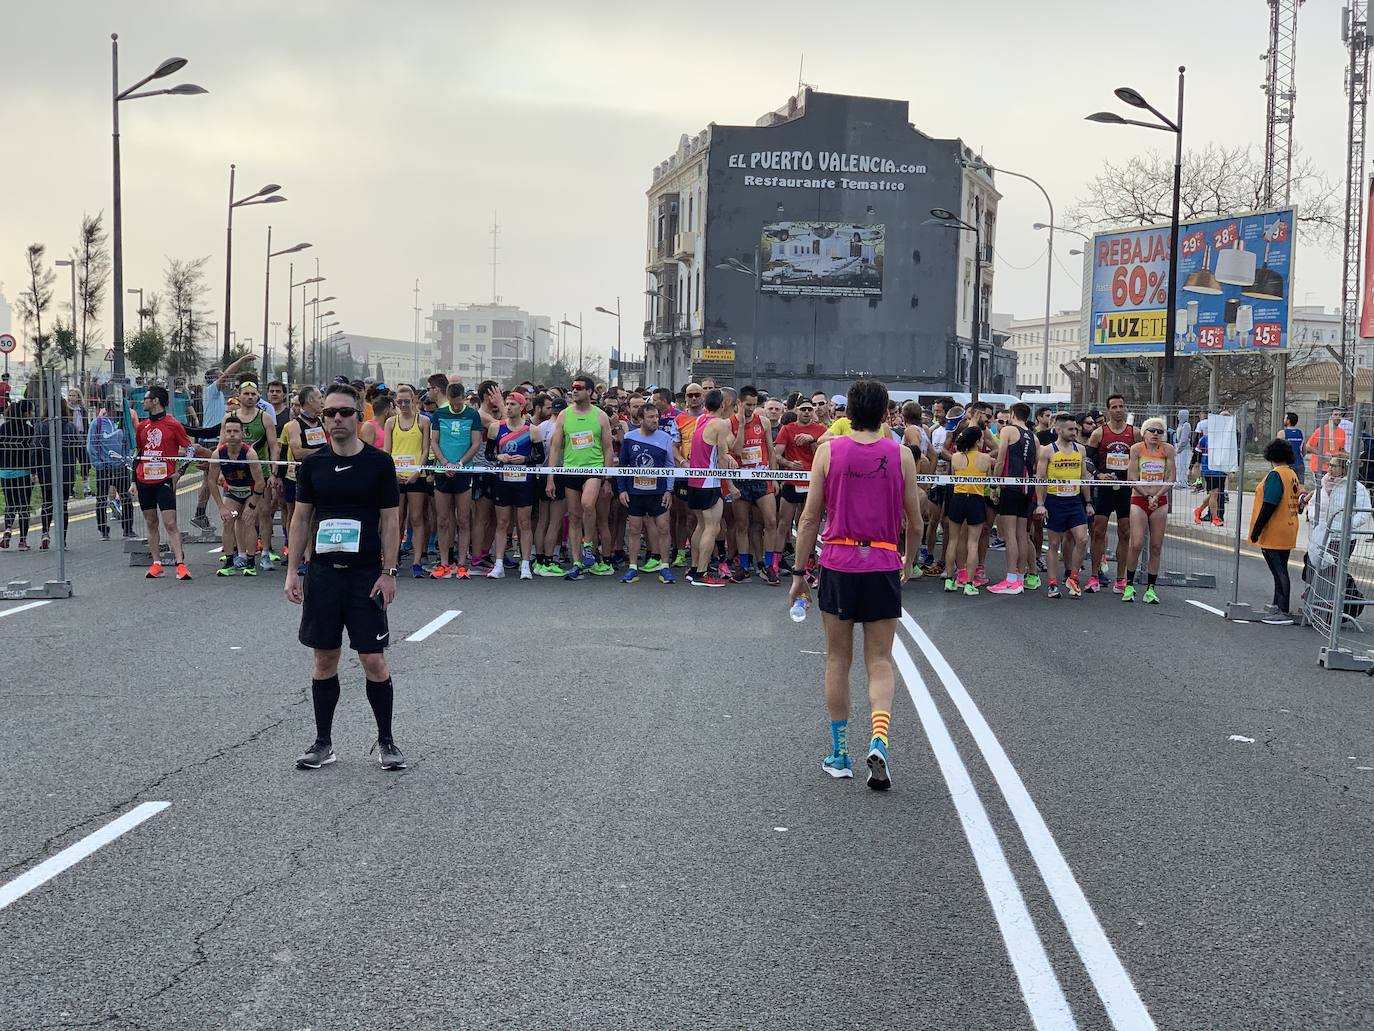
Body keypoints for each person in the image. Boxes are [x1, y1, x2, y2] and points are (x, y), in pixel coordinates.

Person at [789, 379, 922, 790]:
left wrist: (798, 574)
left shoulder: (828, 451)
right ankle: (879, 738)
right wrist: (910, 562)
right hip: (882, 559)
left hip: (839, 561)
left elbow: (810, 519)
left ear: (848, 415)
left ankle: (840, 752)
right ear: (886, 415)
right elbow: (915, 522)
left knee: (836, 661)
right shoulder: (900, 454)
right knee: (880, 661)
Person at [284, 383, 406, 772]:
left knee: (373, 660)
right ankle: (323, 743)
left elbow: (391, 520)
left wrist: (389, 572)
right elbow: (301, 518)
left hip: (365, 575)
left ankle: (386, 741)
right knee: (324, 659)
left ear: (359, 417)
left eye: (346, 413)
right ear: (323, 418)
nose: (338, 419)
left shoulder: (378, 463)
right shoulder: (314, 464)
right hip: (323, 574)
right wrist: (293, 571)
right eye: (331, 413)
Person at [544, 374, 616, 580]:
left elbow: (608, 448)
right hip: (570, 470)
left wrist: (607, 478)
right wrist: (550, 478)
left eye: (579, 388)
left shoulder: (600, 416)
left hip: (593, 469)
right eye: (573, 388)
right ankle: (576, 562)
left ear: (590, 392)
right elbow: (555, 448)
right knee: (574, 517)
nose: (574, 390)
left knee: (587, 504)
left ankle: (587, 545)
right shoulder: (564, 416)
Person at [133, 385, 198, 580]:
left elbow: (190, 450)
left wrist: (180, 472)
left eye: (146, 398)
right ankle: (156, 563)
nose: (143, 402)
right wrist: (133, 480)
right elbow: (139, 454)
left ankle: (180, 564)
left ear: (155, 401)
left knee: (170, 523)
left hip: (164, 480)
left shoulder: (173, 424)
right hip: (144, 480)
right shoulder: (142, 426)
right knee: (151, 522)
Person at [1035, 413, 1094, 599]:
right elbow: (1041, 478)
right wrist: (1040, 504)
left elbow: (1084, 477)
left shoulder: (1080, 450)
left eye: (1076, 429)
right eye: (1070, 429)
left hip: (1075, 500)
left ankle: (1073, 577)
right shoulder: (1047, 450)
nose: (1074, 432)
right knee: (1054, 543)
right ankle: (1052, 583)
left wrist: (1089, 502)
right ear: (1059, 430)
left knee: (1082, 539)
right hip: (1054, 500)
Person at [616, 400, 676, 584]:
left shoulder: (665, 438)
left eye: (657, 417)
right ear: (640, 419)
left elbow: (670, 465)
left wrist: (669, 490)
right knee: (634, 530)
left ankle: (664, 567)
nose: (655, 420)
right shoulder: (629, 438)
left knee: (664, 528)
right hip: (635, 492)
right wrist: (622, 490)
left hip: (658, 492)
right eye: (650, 417)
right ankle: (633, 568)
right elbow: (622, 465)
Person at [429, 381, 484, 579]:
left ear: (464, 398)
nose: (456, 406)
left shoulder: (472, 414)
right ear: (449, 399)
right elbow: (434, 441)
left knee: (463, 520)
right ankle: (444, 563)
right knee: (443, 520)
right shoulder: (439, 414)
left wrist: (459, 464)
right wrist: (444, 463)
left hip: (463, 471)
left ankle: (461, 564)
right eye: (453, 403)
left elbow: (476, 443)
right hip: (443, 471)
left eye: (459, 403)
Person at [1085, 394, 1139, 594]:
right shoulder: (1099, 433)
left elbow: (1142, 457)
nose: (1118, 410)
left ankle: (1121, 578)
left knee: (1125, 532)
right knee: (1098, 531)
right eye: (1114, 407)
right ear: (1108, 410)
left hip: (1126, 489)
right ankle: (1094, 575)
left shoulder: (1135, 433)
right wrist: (1098, 474)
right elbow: (1087, 461)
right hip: (1105, 488)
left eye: (1121, 406)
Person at [729, 384, 781, 584]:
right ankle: (743, 566)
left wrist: (774, 477)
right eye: (747, 405)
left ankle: (769, 565)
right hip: (741, 479)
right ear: (739, 403)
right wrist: (741, 424)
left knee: (771, 522)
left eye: (753, 405)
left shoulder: (764, 422)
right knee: (742, 524)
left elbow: (770, 450)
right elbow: (738, 450)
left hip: (761, 478)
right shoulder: (729, 423)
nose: (750, 409)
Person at [487, 390, 541, 580]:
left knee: (524, 523)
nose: (508, 408)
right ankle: (499, 563)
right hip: (502, 480)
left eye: (513, 405)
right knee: (502, 522)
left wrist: (525, 458)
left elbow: (539, 456)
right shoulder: (496, 427)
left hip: (524, 482)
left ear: (522, 407)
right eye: (507, 404)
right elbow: (488, 454)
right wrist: (498, 456)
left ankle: (525, 564)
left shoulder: (531, 430)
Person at [684, 388, 735, 588]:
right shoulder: (720, 424)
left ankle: (695, 568)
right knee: (712, 528)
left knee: (701, 526)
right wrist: (730, 482)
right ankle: (701, 573)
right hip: (708, 481)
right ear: (723, 405)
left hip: (695, 481)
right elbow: (722, 456)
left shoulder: (701, 419)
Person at [1121, 416, 1175, 604]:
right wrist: (1146, 495)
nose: (1155, 434)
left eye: (1160, 431)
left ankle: (1151, 589)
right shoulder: (1136, 449)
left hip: (1159, 500)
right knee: (1135, 543)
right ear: (1144, 433)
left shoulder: (1168, 450)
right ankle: (1129, 585)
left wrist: (1157, 496)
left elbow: (1170, 477)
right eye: (1152, 431)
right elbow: (1132, 476)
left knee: (1156, 546)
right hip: (1139, 498)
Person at [1250, 437, 1303, 626]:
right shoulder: (1292, 473)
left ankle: (1283, 609)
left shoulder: (1275, 475)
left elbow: (1269, 504)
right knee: (1280, 567)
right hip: (1289, 526)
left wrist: (1256, 529)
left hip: (1275, 528)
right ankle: (1276, 603)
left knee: (1278, 569)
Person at [988, 402, 1037, 595]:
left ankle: (1010, 579)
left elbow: (1000, 460)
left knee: (1009, 534)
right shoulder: (1034, 436)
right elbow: (1034, 464)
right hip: (1027, 487)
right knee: (1021, 534)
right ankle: (1019, 577)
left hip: (1010, 485)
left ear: (1012, 414)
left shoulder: (1008, 430)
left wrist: (994, 485)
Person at [209, 415, 267, 576]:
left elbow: (260, 482)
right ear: (224, 434)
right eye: (229, 431)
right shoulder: (218, 454)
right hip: (233, 491)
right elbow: (212, 481)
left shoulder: (250, 454)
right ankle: (229, 562)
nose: (232, 434)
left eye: (236, 431)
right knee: (227, 522)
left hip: (250, 491)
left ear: (242, 434)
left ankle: (250, 562)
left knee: (249, 521)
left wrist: (252, 505)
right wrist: (221, 507)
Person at [384, 384, 431, 579]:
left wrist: (417, 471)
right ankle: (392, 559)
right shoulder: (391, 422)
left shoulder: (424, 421)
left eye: (407, 401)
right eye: (400, 401)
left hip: (415, 476)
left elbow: (425, 450)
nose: (403, 405)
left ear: (414, 401)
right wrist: (392, 472)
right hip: (395, 475)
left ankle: (417, 561)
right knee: (397, 518)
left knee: (417, 518)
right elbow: (387, 450)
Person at [773, 397, 821, 574]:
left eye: (809, 409)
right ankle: (776, 560)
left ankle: (808, 559)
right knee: (784, 522)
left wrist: (812, 440)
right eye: (803, 409)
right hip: (792, 481)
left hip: (812, 483)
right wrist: (789, 464)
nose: (806, 412)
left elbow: (822, 455)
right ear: (797, 411)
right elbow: (776, 454)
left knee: (808, 523)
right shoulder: (787, 429)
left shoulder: (820, 430)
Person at [944, 426, 993, 596]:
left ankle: (950, 579)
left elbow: (952, 475)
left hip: (958, 498)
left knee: (953, 540)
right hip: (975, 499)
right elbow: (987, 480)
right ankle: (969, 584)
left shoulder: (956, 457)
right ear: (978, 441)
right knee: (973, 543)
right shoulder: (985, 458)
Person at [30, 394, 83, 550]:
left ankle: (45, 532)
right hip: (66, 470)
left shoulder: (42, 425)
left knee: (47, 503)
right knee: (63, 505)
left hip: (46, 469)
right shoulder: (70, 427)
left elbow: (36, 448)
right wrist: (85, 468)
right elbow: (78, 447)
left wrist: (34, 469)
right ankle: (63, 539)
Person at [87, 398, 136, 540]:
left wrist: (126, 459)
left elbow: (126, 442)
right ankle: (103, 530)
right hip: (104, 467)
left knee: (126, 498)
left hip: (120, 466)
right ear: (109, 409)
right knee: (101, 499)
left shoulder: (122, 424)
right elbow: (92, 445)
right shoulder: (97, 423)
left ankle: (128, 529)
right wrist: (98, 463)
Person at [0, 396, 35, 550]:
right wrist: (34, 472)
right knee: (23, 506)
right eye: (31, 411)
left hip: (5, 471)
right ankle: (22, 541)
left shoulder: (3, 428)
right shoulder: (29, 430)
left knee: (10, 504)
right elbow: (32, 453)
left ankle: (7, 528)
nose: (33, 414)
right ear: (26, 414)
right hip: (23, 471)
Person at [1304, 406, 1347, 478]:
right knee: (1320, 488)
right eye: (1335, 415)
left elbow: (1341, 450)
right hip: (1320, 467)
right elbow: (1308, 446)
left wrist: (1350, 455)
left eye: (1340, 415)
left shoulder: (1342, 432)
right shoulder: (1321, 430)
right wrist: (1322, 454)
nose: (1338, 417)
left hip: (1335, 468)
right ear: (1331, 416)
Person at [1279, 412, 1306, 487]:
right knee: (1300, 486)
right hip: (1299, 463)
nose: (1284, 420)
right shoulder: (1301, 433)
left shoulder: (1282, 433)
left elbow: (1278, 450)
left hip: (1287, 464)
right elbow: (1304, 450)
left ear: (1288, 421)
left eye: (1285, 418)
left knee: (1286, 486)